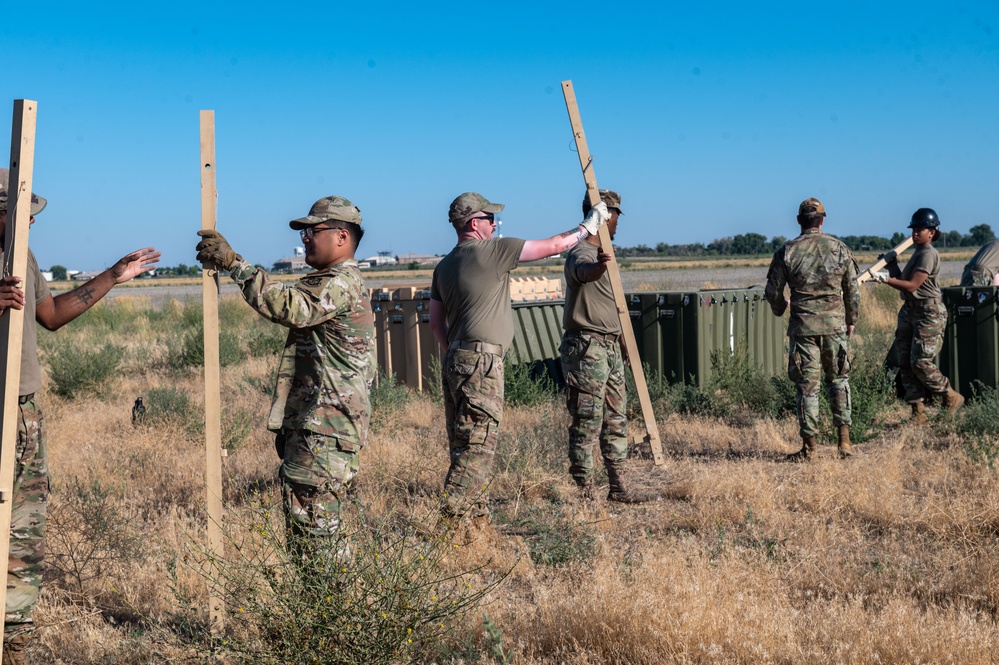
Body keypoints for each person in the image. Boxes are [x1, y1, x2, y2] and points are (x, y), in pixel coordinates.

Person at [0, 169, 159, 663]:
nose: (29, 220)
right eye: (21, 212)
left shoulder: (20, 254)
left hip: (22, 411)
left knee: (23, 528)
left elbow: (49, 315)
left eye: (30, 214)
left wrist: (113, 275)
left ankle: (13, 640)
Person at [195, 195, 375, 558]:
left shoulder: (339, 283)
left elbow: (289, 306)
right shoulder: (333, 281)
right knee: (311, 537)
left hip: (325, 430)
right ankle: (323, 611)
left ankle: (328, 614)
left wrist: (234, 264)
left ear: (342, 236)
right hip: (318, 427)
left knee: (316, 542)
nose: (305, 237)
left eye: (314, 230)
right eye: (304, 231)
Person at [429, 191, 609, 525]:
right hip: (481, 363)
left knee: (463, 444)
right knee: (477, 449)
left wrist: (457, 351)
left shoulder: (443, 266)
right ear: (473, 222)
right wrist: (589, 225)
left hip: (455, 359)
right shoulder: (494, 251)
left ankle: (477, 526)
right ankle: (447, 525)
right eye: (490, 218)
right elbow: (555, 246)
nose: (495, 224)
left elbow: (436, 323)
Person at [560, 189, 651, 502]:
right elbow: (583, 273)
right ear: (601, 216)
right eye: (614, 216)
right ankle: (584, 490)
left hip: (610, 346)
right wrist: (598, 267)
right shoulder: (582, 252)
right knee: (587, 419)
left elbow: (612, 305)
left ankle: (618, 486)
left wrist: (624, 341)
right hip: (587, 348)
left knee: (616, 419)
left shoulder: (606, 257)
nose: (617, 224)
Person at [764, 198, 860, 461]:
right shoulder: (840, 249)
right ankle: (845, 443)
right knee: (839, 381)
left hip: (803, 329)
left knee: (807, 388)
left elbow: (772, 291)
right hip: (834, 329)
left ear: (799, 221)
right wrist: (851, 319)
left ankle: (810, 448)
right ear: (823, 220)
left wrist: (780, 307)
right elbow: (853, 290)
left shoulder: (787, 251)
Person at [872, 208, 964, 423]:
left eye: (919, 229)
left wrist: (884, 279)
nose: (914, 233)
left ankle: (949, 396)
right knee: (905, 361)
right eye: (913, 229)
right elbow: (905, 286)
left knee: (920, 361)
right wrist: (893, 268)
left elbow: (913, 285)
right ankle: (917, 412)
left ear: (932, 232)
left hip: (928, 312)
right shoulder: (917, 252)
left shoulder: (928, 254)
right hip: (910, 310)